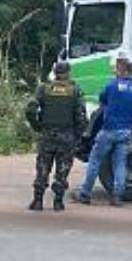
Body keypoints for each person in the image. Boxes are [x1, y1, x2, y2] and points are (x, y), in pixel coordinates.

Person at [76, 53, 132, 206]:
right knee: (120, 164)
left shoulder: (112, 86)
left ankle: (85, 193)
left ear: (122, 69)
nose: (115, 72)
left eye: (117, 69)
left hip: (109, 129)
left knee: (95, 161)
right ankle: (117, 196)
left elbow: (102, 99)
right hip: (126, 131)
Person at [25, 61, 87, 212]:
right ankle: (58, 202)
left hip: (47, 134)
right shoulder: (75, 90)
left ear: (55, 72)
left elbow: (30, 108)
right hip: (67, 135)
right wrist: (78, 135)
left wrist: (37, 126)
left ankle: (38, 200)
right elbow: (81, 116)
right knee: (63, 169)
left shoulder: (44, 89)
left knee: (43, 167)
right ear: (68, 72)